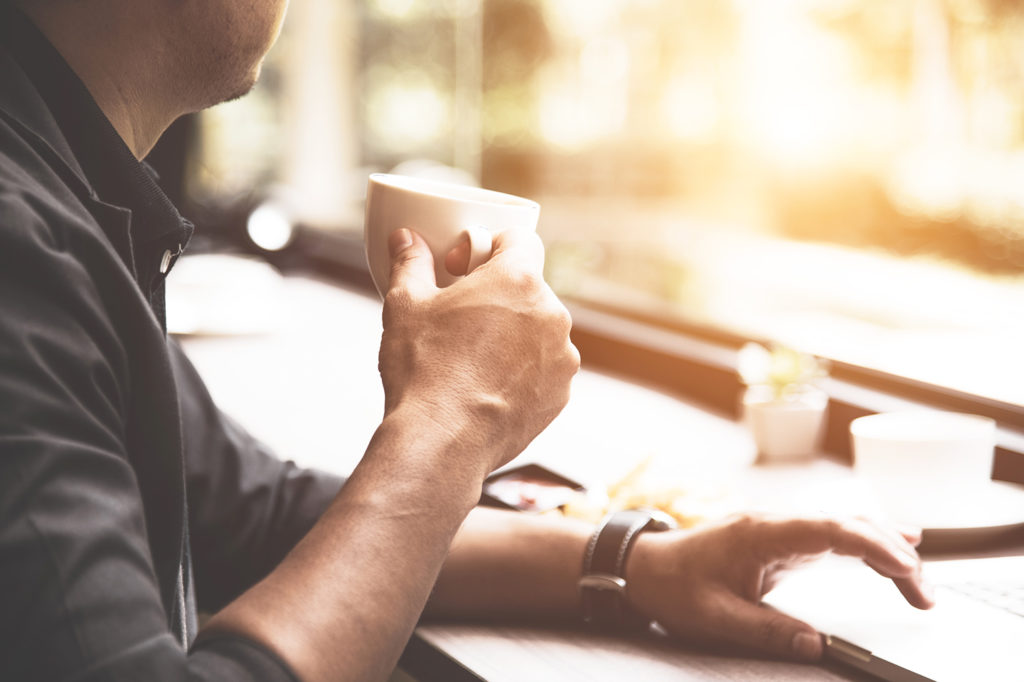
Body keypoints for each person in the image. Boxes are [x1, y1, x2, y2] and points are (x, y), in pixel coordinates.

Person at [0, 1, 934, 680]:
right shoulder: (18, 249)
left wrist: (636, 564)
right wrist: (452, 423)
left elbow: (258, 520)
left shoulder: (62, 199)